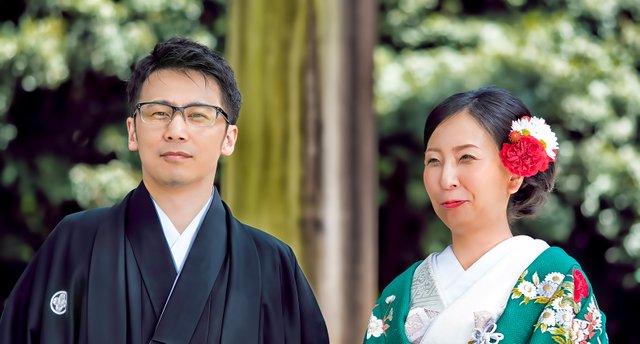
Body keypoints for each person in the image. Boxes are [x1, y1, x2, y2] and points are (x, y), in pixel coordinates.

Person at [0, 37, 329, 344]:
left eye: (198, 115)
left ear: (229, 138)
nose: (176, 130)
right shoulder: (74, 243)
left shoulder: (270, 263)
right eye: (159, 113)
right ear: (132, 131)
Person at [364, 87, 607, 343]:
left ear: (514, 175)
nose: (446, 179)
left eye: (466, 157)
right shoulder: (399, 294)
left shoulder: (554, 280)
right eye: (433, 160)